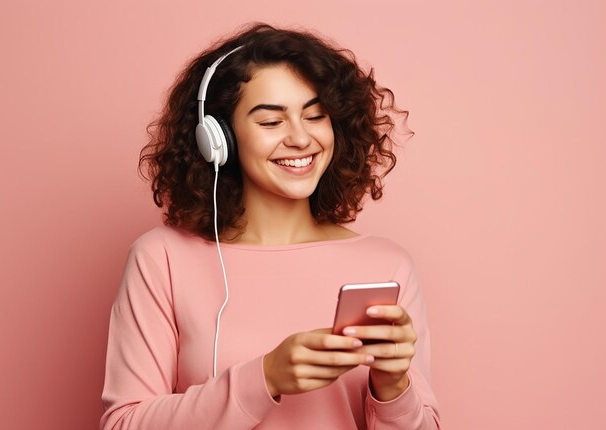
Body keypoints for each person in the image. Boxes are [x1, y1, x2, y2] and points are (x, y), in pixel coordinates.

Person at [100, 23, 440, 429]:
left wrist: (392, 385)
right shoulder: (161, 259)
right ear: (218, 139)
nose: (300, 138)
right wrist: (266, 378)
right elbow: (124, 424)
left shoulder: (387, 264)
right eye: (270, 122)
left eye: (315, 115)